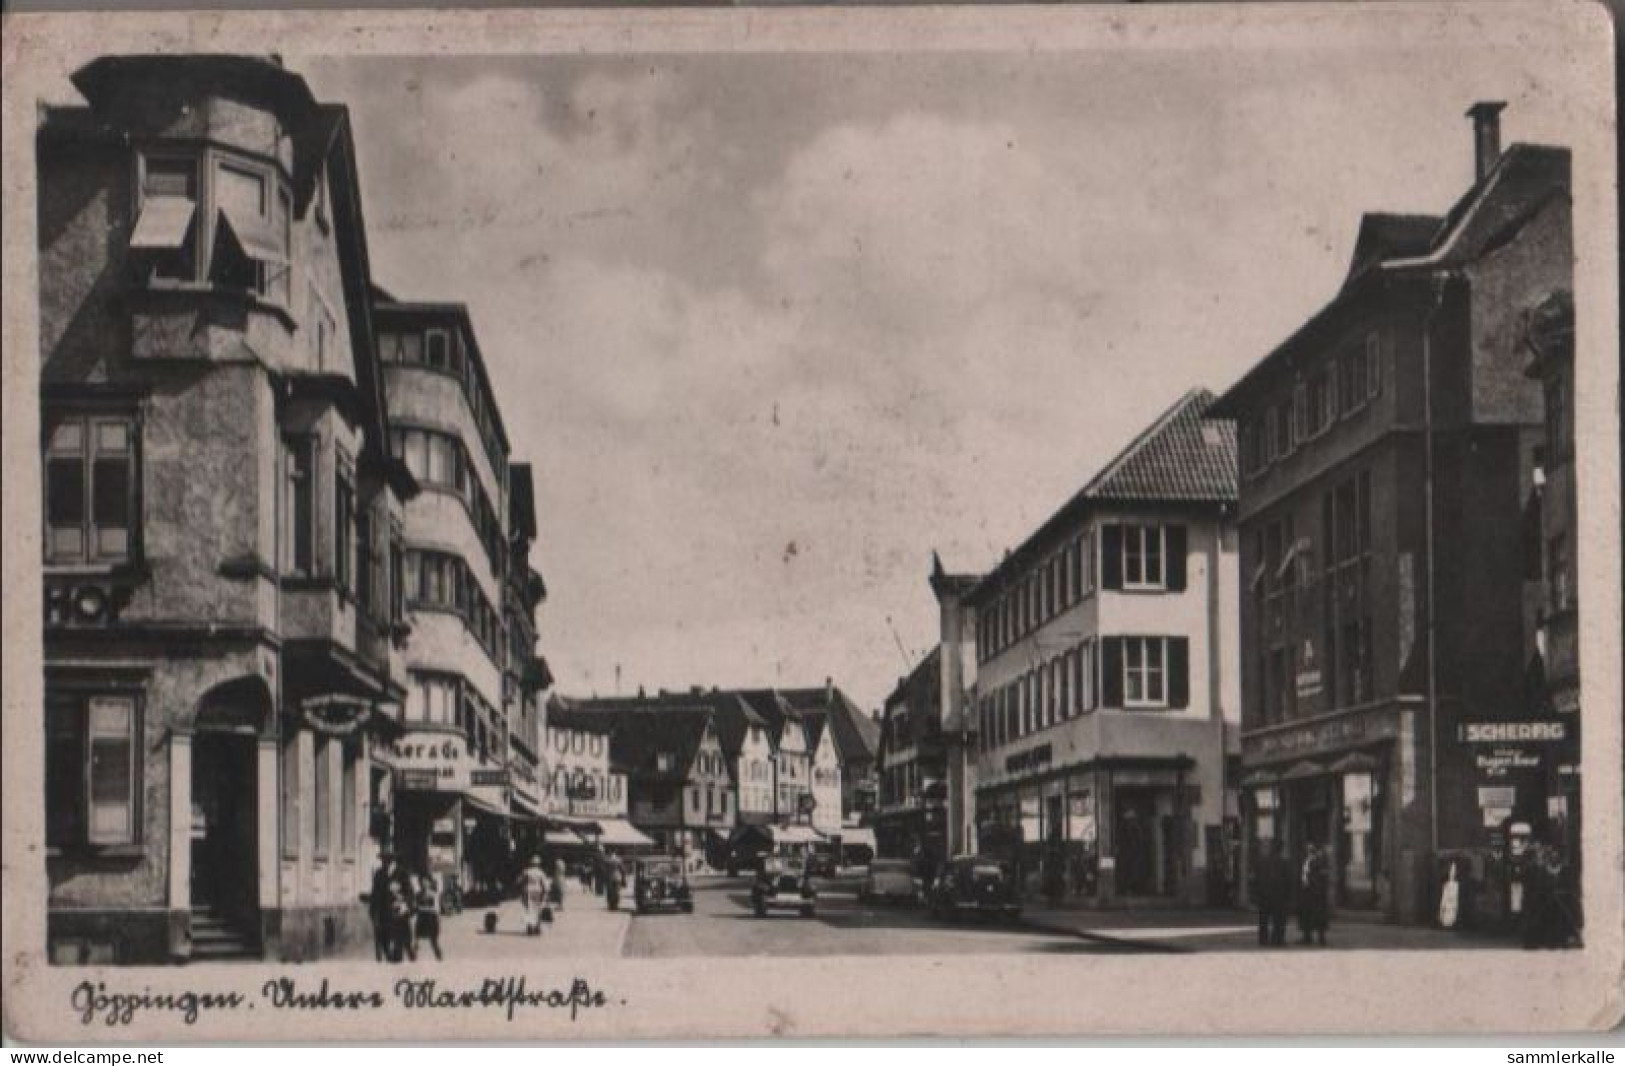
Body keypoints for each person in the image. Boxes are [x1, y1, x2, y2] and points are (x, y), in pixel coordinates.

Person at [1253, 839, 1291, 947]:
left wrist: (1257, 894)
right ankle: (1277, 939)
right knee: (1279, 920)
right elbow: (1288, 881)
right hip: (1279, 896)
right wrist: (1288, 896)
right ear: (1281, 849)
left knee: (1263, 919)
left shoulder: (1261, 862)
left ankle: (1263, 939)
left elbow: (1256, 879)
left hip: (1264, 895)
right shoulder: (1284, 863)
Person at [368, 852, 401, 962]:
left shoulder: (396, 875)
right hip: (381, 911)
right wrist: (373, 912)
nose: (386, 863)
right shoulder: (378, 874)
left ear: (391, 862)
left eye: (388, 861)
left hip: (393, 912)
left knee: (391, 937)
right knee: (380, 937)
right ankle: (381, 958)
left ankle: (390, 957)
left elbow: (402, 894)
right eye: (384, 861)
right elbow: (375, 893)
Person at [1297, 843, 1331, 946]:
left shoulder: (1318, 861)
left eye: (1311, 849)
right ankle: (1307, 937)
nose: (1309, 851)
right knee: (1306, 914)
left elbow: (1322, 875)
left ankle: (1321, 938)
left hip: (1315, 892)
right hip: (1307, 892)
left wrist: (1315, 885)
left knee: (1318, 915)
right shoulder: (1306, 861)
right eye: (1307, 849)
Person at [414, 868, 444, 961]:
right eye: (421, 882)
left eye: (425, 881)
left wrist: (421, 908)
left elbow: (436, 909)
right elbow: (415, 907)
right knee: (416, 942)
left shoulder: (434, 894)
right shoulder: (418, 895)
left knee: (434, 942)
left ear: (430, 882)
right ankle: (414, 963)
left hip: (431, 919)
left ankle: (440, 961)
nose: (423, 884)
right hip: (421, 919)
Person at [517, 855, 550, 935]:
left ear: (531, 863)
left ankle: (530, 927)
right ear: (538, 864)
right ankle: (537, 927)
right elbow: (545, 884)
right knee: (538, 909)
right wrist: (546, 893)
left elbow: (519, 881)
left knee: (529, 909)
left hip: (527, 891)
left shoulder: (526, 871)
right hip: (538, 891)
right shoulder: (541, 872)